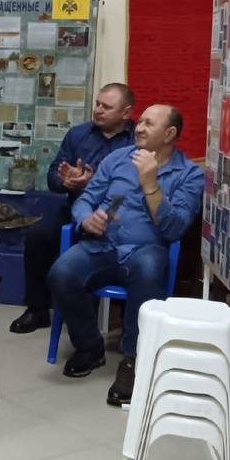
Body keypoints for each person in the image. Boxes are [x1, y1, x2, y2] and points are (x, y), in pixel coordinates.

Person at [49, 104, 204, 407]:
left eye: (149, 123)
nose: (139, 127)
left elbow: (174, 229)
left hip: (146, 250)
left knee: (148, 269)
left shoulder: (189, 174)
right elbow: (86, 198)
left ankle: (133, 359)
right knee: (61, 273)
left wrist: (150, 183)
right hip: (103, 245)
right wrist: (86, 218)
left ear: (169, 134)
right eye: (140, 121)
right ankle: (89, 346)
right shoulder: (117, 159)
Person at [10, 84, 136, 334]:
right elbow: (53, 176)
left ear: (126, 113)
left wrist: (94, 184)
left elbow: (132, 186)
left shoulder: (136, 140)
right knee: (37, 235)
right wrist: (66, 180)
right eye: (97, 104)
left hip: (117, 213)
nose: (98, 110)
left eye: (107, 107)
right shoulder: (78, 134)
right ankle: (37, 309)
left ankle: (111, 318)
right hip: (76, 207)